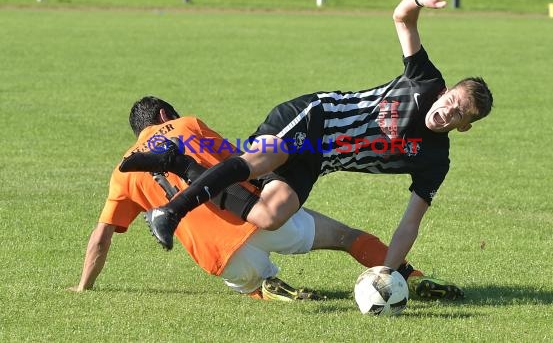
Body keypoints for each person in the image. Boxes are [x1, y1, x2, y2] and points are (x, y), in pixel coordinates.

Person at [132, 0, 493, 277]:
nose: (447, 112)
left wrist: (387, 271)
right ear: (444, 93)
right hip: (314, 115)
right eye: (451, 102)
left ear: (464, 127)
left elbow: (409, 223)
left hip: (318, 161)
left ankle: (180, 163)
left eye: (459, 115)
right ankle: (173, 211)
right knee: (263, 160)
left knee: (269, 215)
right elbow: (403, 19)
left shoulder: (435, 161)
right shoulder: (425, 80)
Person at [69, 96, 464, 300]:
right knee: (346, 237)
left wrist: (83, 287)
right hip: (257, 215)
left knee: (245, 278)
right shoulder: (186, 125)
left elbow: (101, 238)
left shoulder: (122, 173)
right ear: (162, 114)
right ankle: (411, 276)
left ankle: (264, 286)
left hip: (220, 256)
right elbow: (240, 163)